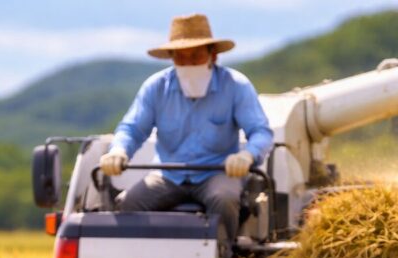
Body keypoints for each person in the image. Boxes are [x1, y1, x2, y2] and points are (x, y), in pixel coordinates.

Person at [99, 13, 273, 242]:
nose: (188, 63)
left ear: (213, 55)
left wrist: (247, 156)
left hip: (217, 172)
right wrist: (118, 150)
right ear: (171, 58)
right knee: (130, 202)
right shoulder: (155, 88)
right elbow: (132, 129)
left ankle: (224, 255)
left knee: (224, 199)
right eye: (180, 57)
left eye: (195, 56)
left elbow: (260, 131)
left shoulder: (235, 85)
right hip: (168, 174)